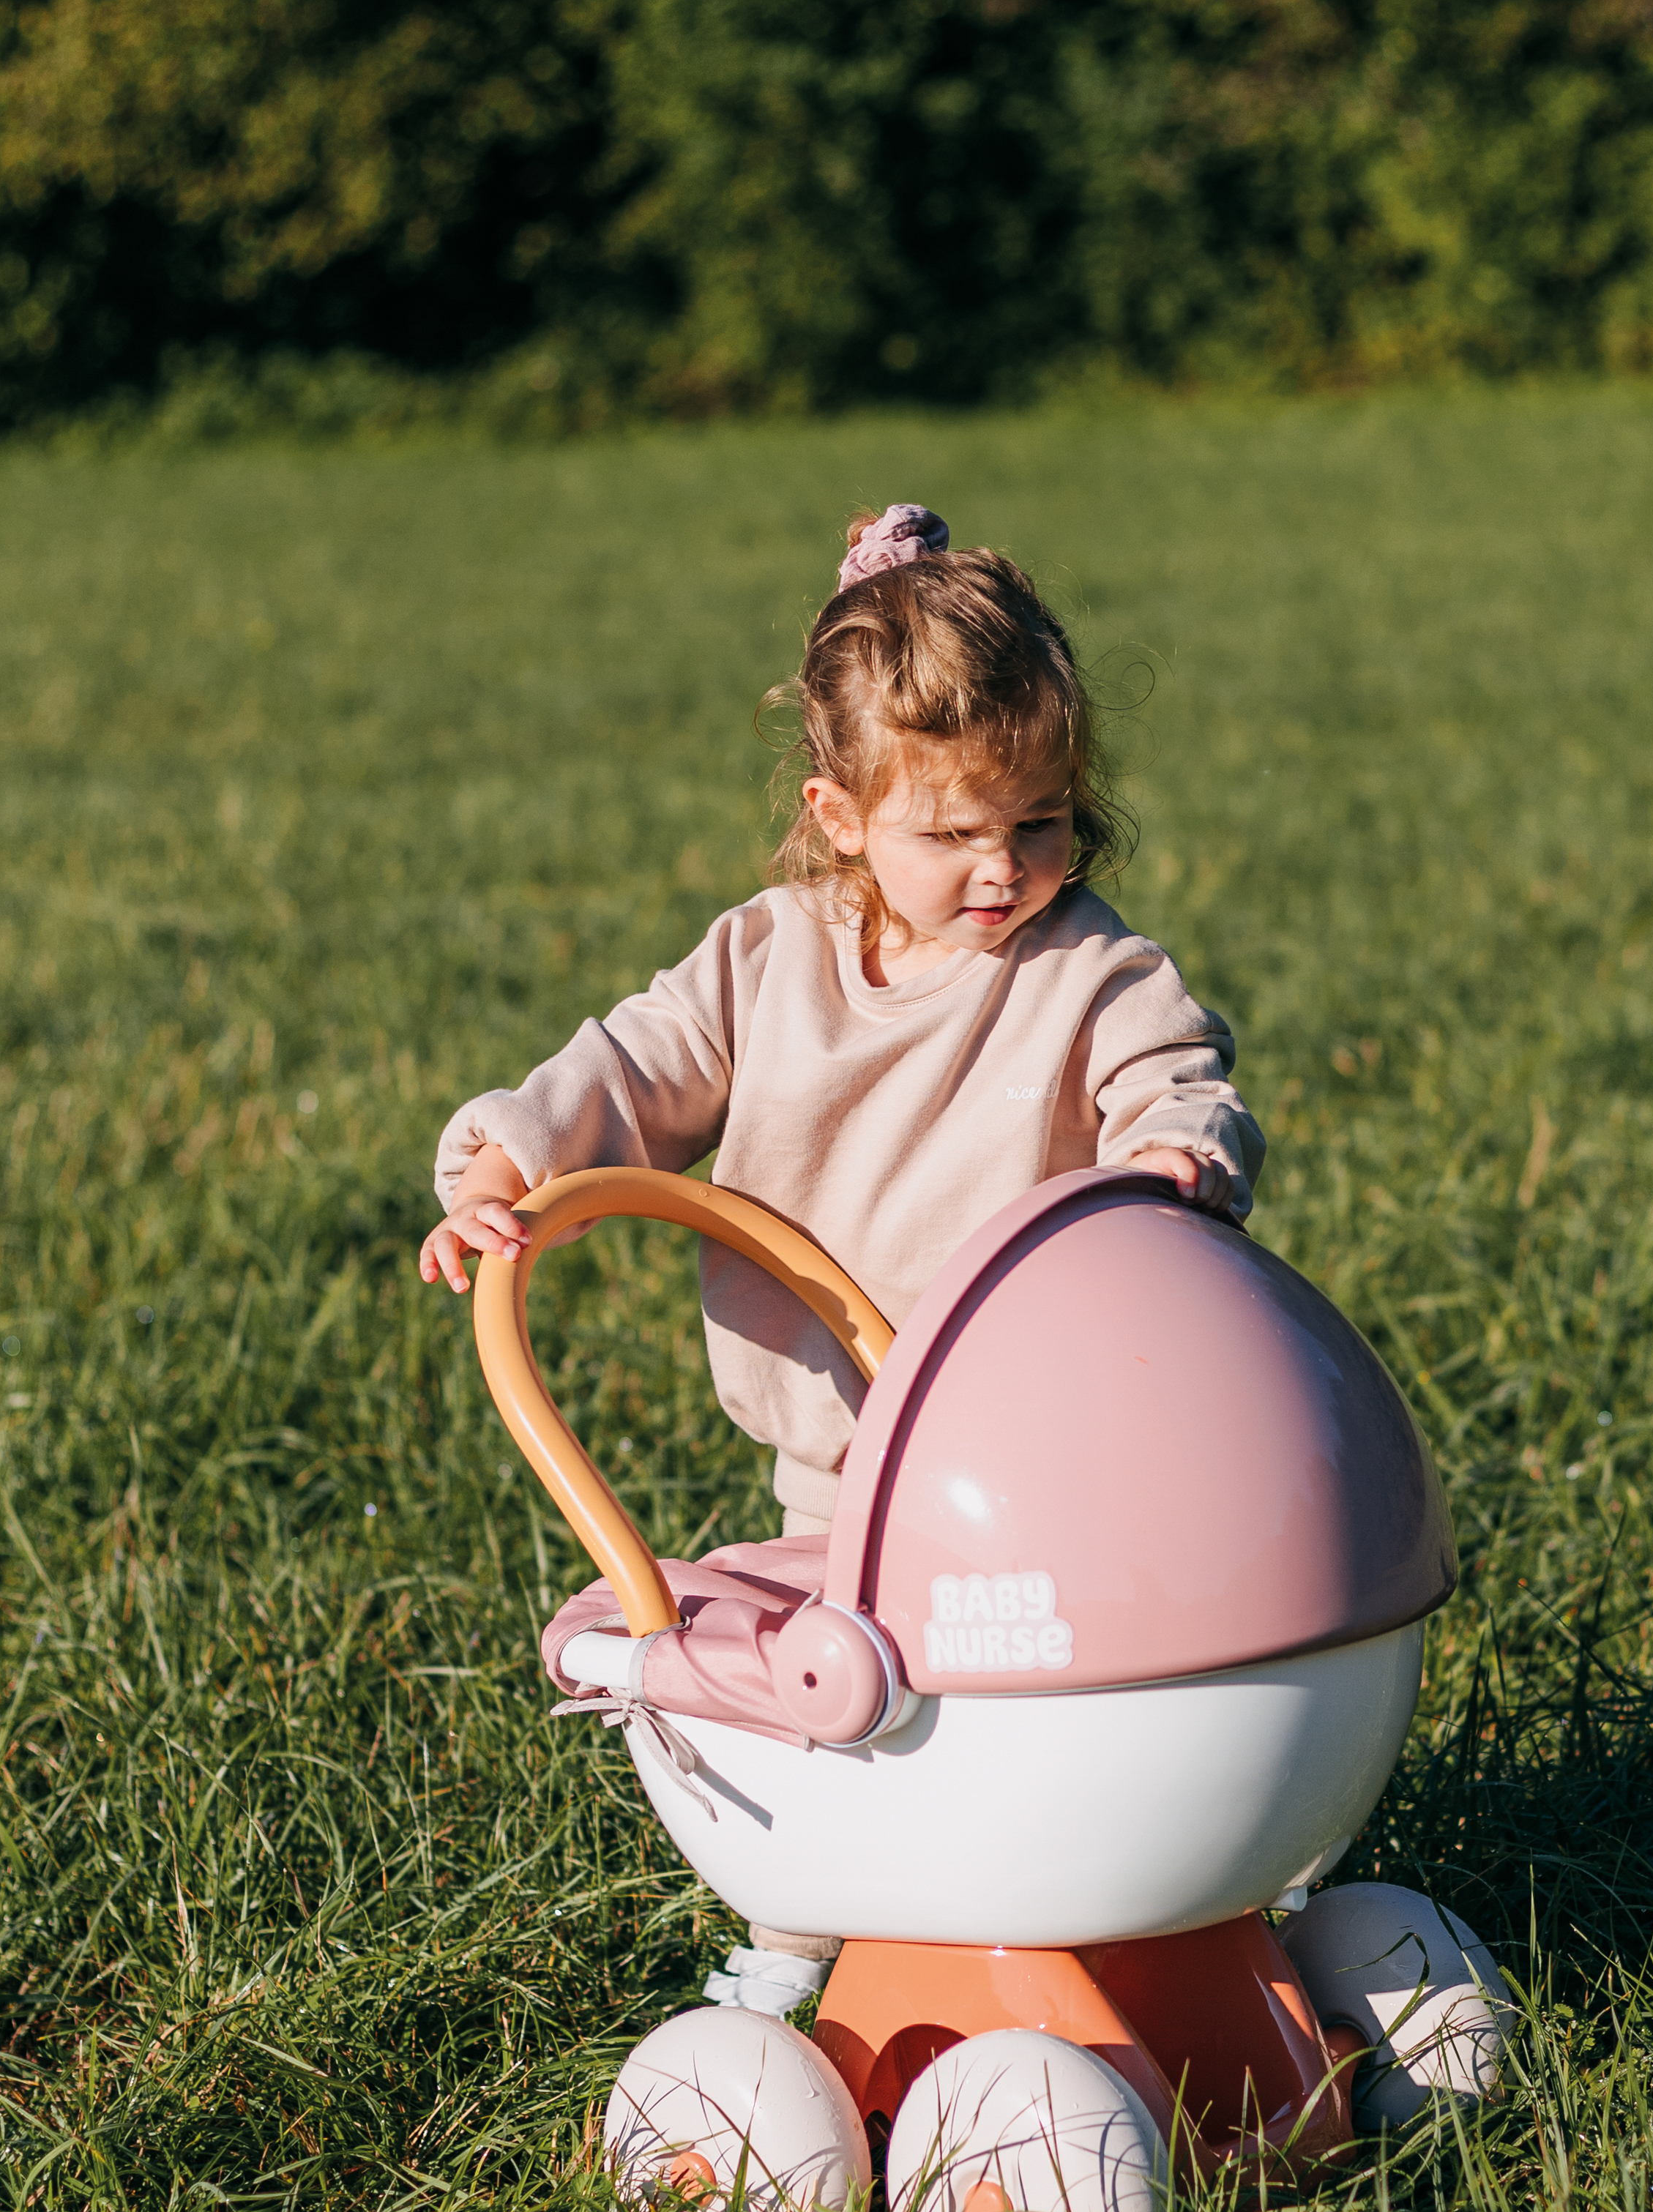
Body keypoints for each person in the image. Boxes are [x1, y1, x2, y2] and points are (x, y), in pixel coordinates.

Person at [419, 502, 1264, 1536]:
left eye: (1039, 821)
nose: (1002, 866)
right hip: (835, 1477)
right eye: (952, 831)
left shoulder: (1088, 969)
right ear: (844, 818)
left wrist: (1175, 1159)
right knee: (863, 1675)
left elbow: (1172, 1077)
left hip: (1052, 1457)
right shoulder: (768, 963)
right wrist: (501, 1176)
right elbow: (632, 1069)